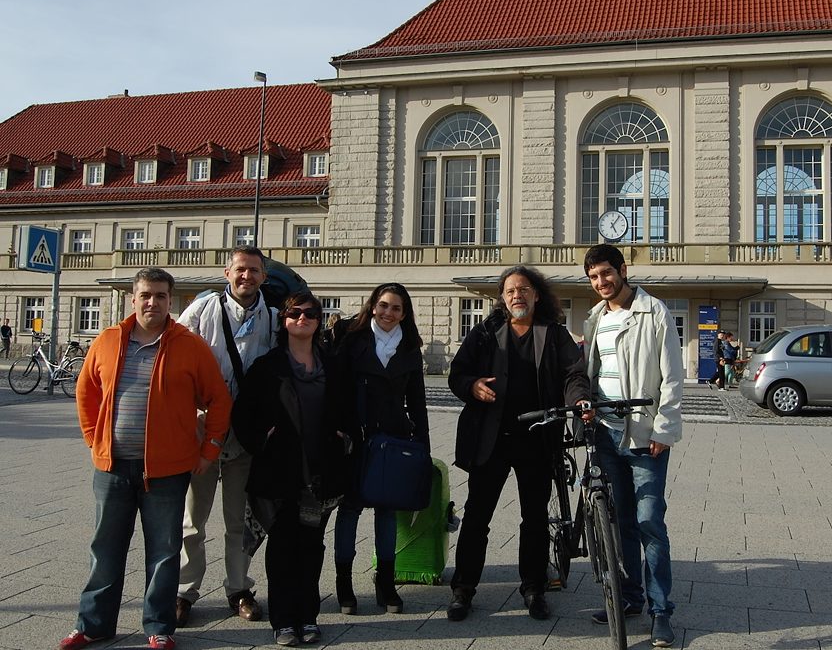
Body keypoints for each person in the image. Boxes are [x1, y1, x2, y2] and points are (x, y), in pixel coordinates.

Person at [60, 268, 232, 650]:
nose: (152, 302)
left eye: (160, 295)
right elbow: (85, 392)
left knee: (164, 551)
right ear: (132, 298)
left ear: (171, 301)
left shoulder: (189, 345)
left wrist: (210, 450)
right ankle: (94, 624)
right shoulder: (107, 341)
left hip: (168, 471)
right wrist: (94, 440)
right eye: (145, 295)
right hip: (113, 468)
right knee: (104, 548)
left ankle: (159, 626)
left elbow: (218, 400)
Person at [445, 265, 589, 622]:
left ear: (536, 294)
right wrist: (473, 385)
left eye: (523, 289)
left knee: (535, 519)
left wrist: (580, 400)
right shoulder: (484, 332)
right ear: (503, 298)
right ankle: (463, 589)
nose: (516, 296)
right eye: (509, 291)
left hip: (537, 438)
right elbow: (458, 374)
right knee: (478, 516)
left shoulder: (554, 334)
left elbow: (574, 373)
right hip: (490, 439)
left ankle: (534, 588)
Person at [232, 292, 350, 646]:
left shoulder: (333, 364)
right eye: (295, 313)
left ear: (318, 319)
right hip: (279, 472)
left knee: (312, 547)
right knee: (283, 546)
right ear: (283, 320)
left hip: (320, 472)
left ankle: (308, 616)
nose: (302, 318)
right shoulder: (268, 367)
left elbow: (348, 407)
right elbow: (242, 415)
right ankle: (284, 620)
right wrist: (261, 440)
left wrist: (345, 435)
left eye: (310, 313)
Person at [582, 244, 683, 648]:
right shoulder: (593, 318)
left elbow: (672, 376)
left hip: (643, 435)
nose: (602, 282)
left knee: (649, 523)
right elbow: (594, 372)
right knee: (621, 520)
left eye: (607, 273)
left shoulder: (653, 311)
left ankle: (661, 611)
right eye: (593, 277)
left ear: (623, 270)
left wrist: (665, 427)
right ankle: (629, 599)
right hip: (606, 434)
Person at [175, 246, 278, 627]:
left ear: (263, 277)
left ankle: (238, 588)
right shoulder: (201, 312)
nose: (246, 276)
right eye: (240, 270)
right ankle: (184, 592)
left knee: (238, 520)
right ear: (226, 272)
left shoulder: (273, 319)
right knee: (191, 521)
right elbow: (175, 359)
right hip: (203, 433)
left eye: (253, 271)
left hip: (245, 438)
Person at [333, 283, 429, 615]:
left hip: (393, 438)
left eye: (396, 308)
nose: (388, 313)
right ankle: (343, 582)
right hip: (355, 439)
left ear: (405, 314)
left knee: (387, 510)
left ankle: (385, 582)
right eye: (384, 305)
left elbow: (417, 401)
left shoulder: (409, 348)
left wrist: (423, 450)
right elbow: (337, 387)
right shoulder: (352, 338)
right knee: (349, 511)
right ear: (373, 306)